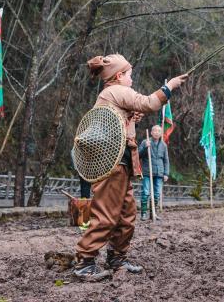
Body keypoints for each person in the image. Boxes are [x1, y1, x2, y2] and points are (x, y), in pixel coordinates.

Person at [73, 54, 187, 281]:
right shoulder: (116, 91)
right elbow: (149, 103)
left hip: (121, 164)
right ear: (119, 76)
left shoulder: (112, 95)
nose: (132, 80)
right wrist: (170, 86)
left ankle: (117, 258)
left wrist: (131, 117)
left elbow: (124, 125)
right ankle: (85, 262)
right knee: (106, 215)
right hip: (112, 165)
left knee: (126, 214)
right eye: (130, 76)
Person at [139, 125, 169, 221]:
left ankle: (153, 214)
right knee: (146, 192)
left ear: (161, 134)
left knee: (156, 194)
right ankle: (143, 213)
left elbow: (166, 160)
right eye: (154, 131)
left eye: (158, 131)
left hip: (159, 173)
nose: (156, 132)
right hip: (147, 172)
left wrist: (166, 173)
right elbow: (138, 155)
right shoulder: (145, 142)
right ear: (151, 132)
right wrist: (145, 148)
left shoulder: (163, 145)